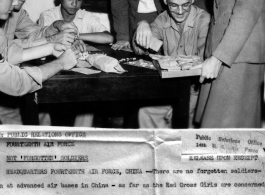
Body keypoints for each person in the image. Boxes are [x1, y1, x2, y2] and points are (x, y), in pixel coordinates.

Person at [133, 0, 210, 128]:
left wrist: (183, 105)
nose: (180, 12)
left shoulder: (204, 20)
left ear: (192, 0)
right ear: (165, 1)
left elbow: (205, 72)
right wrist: (142, 25)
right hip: (175, 91)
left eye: (185, 5)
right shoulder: (163, 18)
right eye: (173, 5)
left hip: (198, 95)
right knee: (145, 112)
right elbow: (140, 50)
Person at [0, 0, 79, 123]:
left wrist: (54, 29)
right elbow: (15, 82)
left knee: (21, 119)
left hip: (6, 90)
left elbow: (7, 51)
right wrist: (60, 63)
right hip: (9, 85)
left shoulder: (15, 11)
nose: (16, 2)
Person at [195, 0, 265, 128]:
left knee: (224, 128)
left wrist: (217, 58)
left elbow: (247, 11)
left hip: (237, 54)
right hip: (223, 52)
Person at [39, 0, 113, 44]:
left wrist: (75, 37)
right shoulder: (48, 15)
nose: (74, 4)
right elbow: (42, 41)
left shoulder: (87, 16)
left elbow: (109, 38)